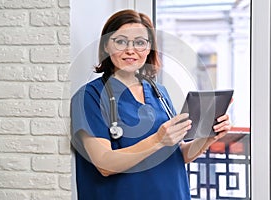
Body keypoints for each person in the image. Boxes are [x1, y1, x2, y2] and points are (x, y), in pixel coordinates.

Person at [71, 9, 231, 200]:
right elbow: (104, 164)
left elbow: (177, 155)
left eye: (140, 42)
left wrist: (209, 137)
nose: (131, 50)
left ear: (149, 49)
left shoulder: (159, 92)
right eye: (121, 41)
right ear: (106, 46)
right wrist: (158, 140)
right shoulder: (90, 96)